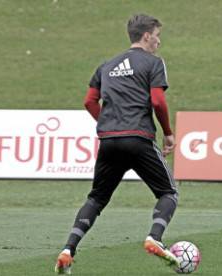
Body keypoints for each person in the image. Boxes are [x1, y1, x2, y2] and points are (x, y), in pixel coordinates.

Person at [55, 14, 179, 274]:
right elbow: (157, 101)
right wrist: (168, 132)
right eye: (157, 35)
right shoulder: (154, 63)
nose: (159, 41)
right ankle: (154, 237)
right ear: (146, 36)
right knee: (168, 192)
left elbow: (89, 101)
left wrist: (110, 123)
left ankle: (68, 250)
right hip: (138, 139)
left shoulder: (107, 65)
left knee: (97, 198)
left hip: (109, 140)